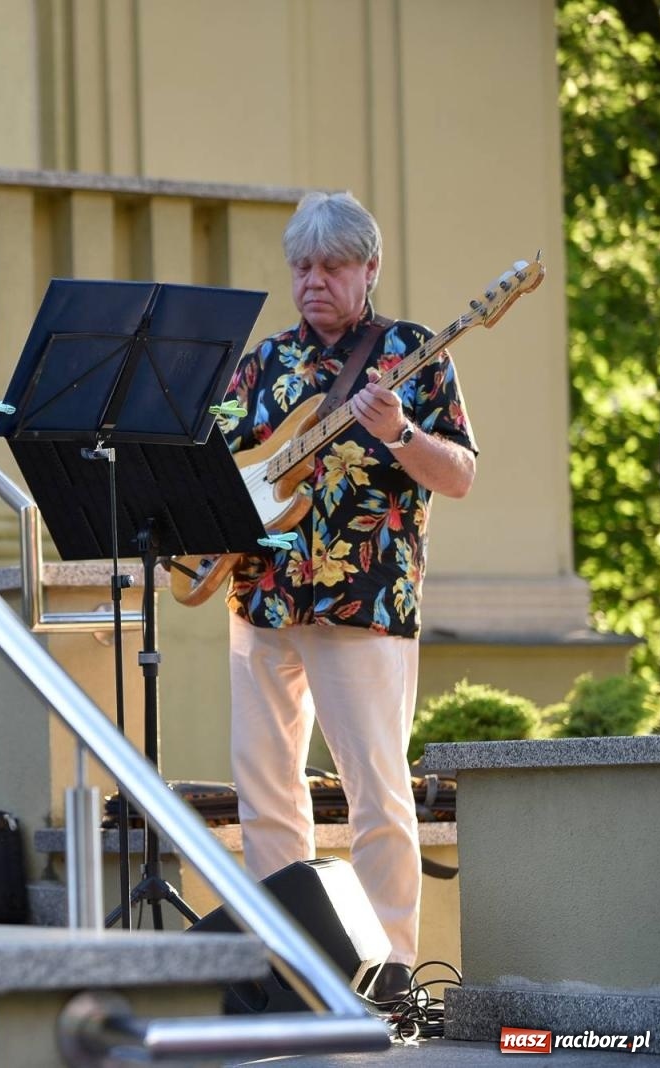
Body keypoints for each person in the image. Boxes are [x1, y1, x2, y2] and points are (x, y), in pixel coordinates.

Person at [218, 192, 476, 1000]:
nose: (313, 281)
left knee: (374, 787)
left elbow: (461, 474)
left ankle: (394, 964)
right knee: (264, 789)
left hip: (365, 600)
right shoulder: (262, 364)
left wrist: (400, 432)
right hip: (260, 595)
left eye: (331, 266)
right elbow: (215, 461)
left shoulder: (413, 352)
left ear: (370, 267)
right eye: (302, 266)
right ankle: (287, 958)